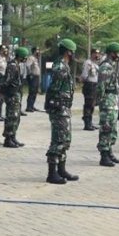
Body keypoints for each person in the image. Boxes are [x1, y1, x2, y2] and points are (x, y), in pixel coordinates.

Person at [44, 39, 80, 185]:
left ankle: (61, 169)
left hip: (64, 107)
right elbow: (53, 89)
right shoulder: (60, 67)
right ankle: (52, 173)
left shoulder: (64, 66)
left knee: (65, 139)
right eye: (72, 52)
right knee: (58, 140)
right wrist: (54, 106)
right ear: (68, 52)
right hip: (59, 108)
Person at [96, 42, 119, 167]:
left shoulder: (111, 65)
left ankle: (109, 151)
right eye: (118, 53)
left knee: (112, 128)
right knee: (106, 128)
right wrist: (101, 100)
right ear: (112, 53)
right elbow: (101, 86)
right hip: (107, 100)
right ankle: (104, 155)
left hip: (112, 101)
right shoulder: (106, 66)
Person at [1, 47, 29, 148]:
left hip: (16, 94)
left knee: (16, 117)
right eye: (24, 57)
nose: (25, 59)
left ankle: (13, 137)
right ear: (20, 56)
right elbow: (7, 81)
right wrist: (5, 93)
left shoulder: (17, 65)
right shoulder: (12, 65)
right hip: (12, 95)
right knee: (11, 117)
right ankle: (8, 139)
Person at [80, 48, 100, 131]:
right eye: (95, 53)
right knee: (88, 104)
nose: (97, 55)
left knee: (92, 104)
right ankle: (87, 124)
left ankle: (90, 122)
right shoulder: (88, 63)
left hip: (95, 85)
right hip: (89, 85)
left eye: (98, 54)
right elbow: (84, 75)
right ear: (91, 54)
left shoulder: (95, 64)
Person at [25, 47, 41, 113]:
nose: (38, 52)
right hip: (32, 76)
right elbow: (28, 66)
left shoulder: (36, 59)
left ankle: (32, 105)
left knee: (35, 91)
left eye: (38, 50)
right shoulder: (31, 58)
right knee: (32, 91)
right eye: (37, 50)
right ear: (34, 51)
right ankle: (29, 107)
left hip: (36, 77)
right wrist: (30, 73)